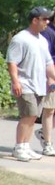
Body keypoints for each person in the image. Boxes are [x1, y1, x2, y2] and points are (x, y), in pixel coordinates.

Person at [7, 6, 55, 161]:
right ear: (35, 20)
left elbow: (49, 64)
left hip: (39, 85)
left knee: (34, 116)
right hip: (25, 83)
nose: (47, 22)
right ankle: (19, 147)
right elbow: (12, 62)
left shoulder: (42, 40)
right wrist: (15, 82)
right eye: (44, 19)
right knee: (28, 115)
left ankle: (25, 146)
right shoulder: (21, 38)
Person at [37, 8, 55, 155]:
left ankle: (44, 132)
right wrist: (50, 78)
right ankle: (48, 143)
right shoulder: (48, 32)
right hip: (51, 75)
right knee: (49, 109)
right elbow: (45, 57)